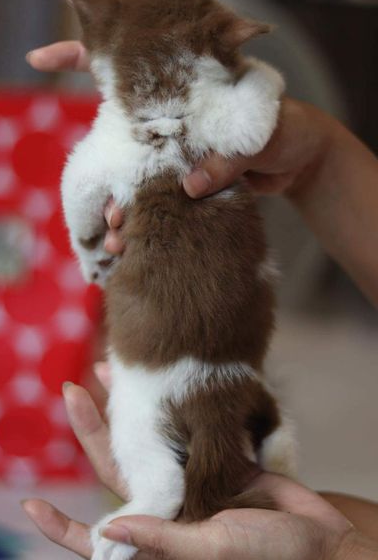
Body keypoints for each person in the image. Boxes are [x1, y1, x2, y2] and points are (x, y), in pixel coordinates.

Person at [22, 41, 378, 559]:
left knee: (146, 400)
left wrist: (90, 256)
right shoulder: (232, 112)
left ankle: (180, 476)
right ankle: (244, 450)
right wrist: (318, 154)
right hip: (226, 359)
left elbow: (81, 186)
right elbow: (261, 100)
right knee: (224, 403)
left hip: (177, 358)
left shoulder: (116, 138)